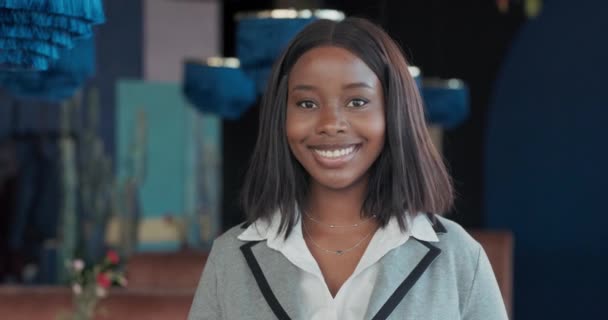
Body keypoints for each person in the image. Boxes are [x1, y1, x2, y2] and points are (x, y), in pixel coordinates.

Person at [188, 17, 508, 320]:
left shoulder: (459, 256)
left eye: (357, 102)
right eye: (307, 104)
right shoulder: (230, 258)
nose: (331, 124)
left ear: (393, 113)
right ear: (281, 118)